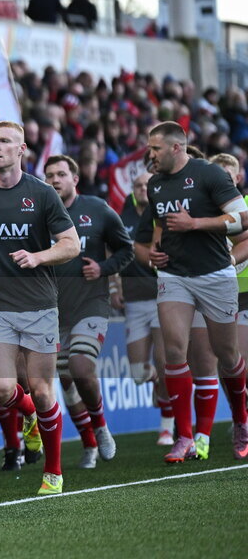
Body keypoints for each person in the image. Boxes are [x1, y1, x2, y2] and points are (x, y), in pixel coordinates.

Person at [0, 120, 80, 495]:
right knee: (0, 390)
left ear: (21, 149)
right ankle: (32, 419)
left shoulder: (41, 194)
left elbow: (71, 244)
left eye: (5, 141)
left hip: (39, 305)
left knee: (42, 391)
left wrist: (39, 257)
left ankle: (53, 472)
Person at [134, 122, 248, 462]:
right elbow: (155, 232)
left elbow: (242, 220)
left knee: (226, 355)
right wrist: (153, 254)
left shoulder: (210, 175)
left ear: (176, 148)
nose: (150, 154)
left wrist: (196, 223)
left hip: (215, 274)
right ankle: (183, 437)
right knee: (173, 351)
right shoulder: (155, 185)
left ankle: (241, 420)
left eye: (155, 148)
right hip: (175, 276)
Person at [44, 155, 133, 468]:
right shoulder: (38, 216)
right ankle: (88, 444)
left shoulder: (97, 209)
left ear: (74, 178)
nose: (54, 180)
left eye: (60, 174)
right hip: (49, 311)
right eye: (49, 175)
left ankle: (100, 427)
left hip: (90, 304)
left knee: (81, 368)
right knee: (67, 381)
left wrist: (104, 267)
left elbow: (126, 248)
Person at [117, 171, 171, 445]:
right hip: (135, 299)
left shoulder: (163, 213)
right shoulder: (122, 216)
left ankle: (167, 427)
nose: (141, 188)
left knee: (164, 362)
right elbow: (111, 252)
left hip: (163, 296)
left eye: (145, 185)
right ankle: (156, 384)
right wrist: (114, 288)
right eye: (137, 184)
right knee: (138, 374)